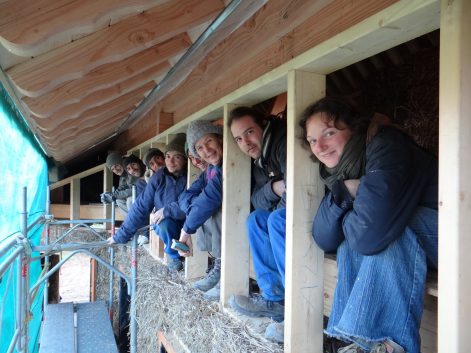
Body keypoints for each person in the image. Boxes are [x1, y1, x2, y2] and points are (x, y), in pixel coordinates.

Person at [300, 97, 438, 353]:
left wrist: (355, 215)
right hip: (423, 241)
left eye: (329, 133)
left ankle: (392, 345)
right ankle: (363, 341)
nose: (319, 146)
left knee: (389, 231)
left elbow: (371, 234)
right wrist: (345, 192)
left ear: (353, 129)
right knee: (357, 235)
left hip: (455, 233)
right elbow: (323, 237)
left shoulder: (387, 146)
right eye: (312, 140)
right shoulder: (340, 174)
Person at [226, 106, 287, 343]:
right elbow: (256, 200)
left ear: (264, 125)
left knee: (275, 219)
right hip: (282, 213)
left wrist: (277, 197)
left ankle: (294, 307)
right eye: (239, 139)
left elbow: (298, 189)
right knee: (255, 219)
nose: (245, 142)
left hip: (314, 212)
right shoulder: (259, 159)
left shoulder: (281, 142)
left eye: (250, 132)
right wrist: (273, 188)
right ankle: (275, 299)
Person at [110, 134, 188, 271]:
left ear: (186, 158)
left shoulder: (191, 175)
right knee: (163, 224)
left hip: (188, 220)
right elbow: (141, 206)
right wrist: (121, 235)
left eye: (177, 157)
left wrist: (167, 210)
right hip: (168, 222)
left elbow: (190, 204)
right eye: (168, 156)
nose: (171, 161)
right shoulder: (159, 176)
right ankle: (175, 256)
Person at [177, 121, 223, 300]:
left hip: (242, 219)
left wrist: (186, 231)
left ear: (219, 140)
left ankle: (224, 271)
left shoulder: (227, 165)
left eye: (209, 141)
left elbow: (211, 198)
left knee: (211, 210)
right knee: (200, 209)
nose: (207, 150)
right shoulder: (211, 169)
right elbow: (185, 195)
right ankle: (217, 264)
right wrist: (194, 206)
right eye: (200, 147)